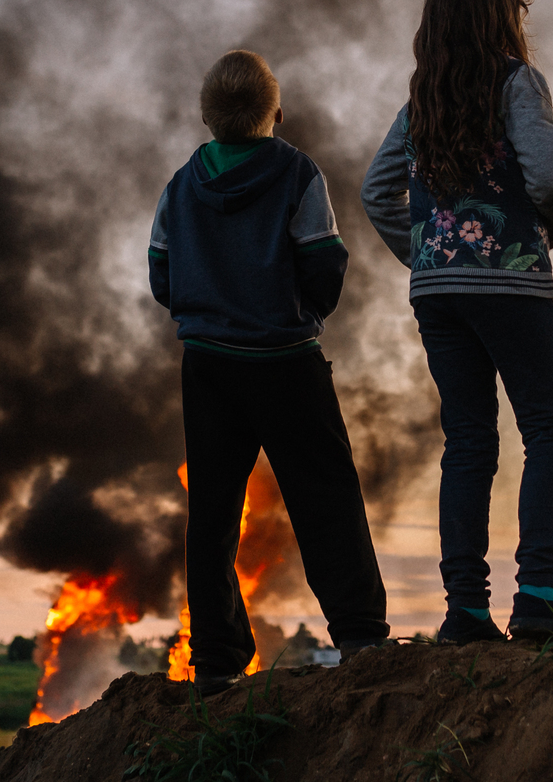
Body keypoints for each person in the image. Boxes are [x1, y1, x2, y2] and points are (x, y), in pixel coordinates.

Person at [361, 0, 553, 645]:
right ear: (501, 13)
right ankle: (537, 596)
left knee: (468, 440)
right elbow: (551, 174)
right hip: (509, 282)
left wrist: (425, 254)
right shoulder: (518, 82)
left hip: (437, 293)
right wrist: (547, 230)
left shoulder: (425, 97)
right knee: (550, 430)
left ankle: (466, 611)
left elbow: (374, 190)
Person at [149, 49, 390, 693]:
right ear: (276, 113)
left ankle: (218, 660)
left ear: (206, 118)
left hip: (207, 367)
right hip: (286, 362)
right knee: (325, 495)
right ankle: (361, 636)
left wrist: (204, 317)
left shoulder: (180, 184)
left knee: (214, 508)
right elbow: (324, 264)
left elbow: (160, 273)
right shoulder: (298, 173)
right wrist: (298, 315)